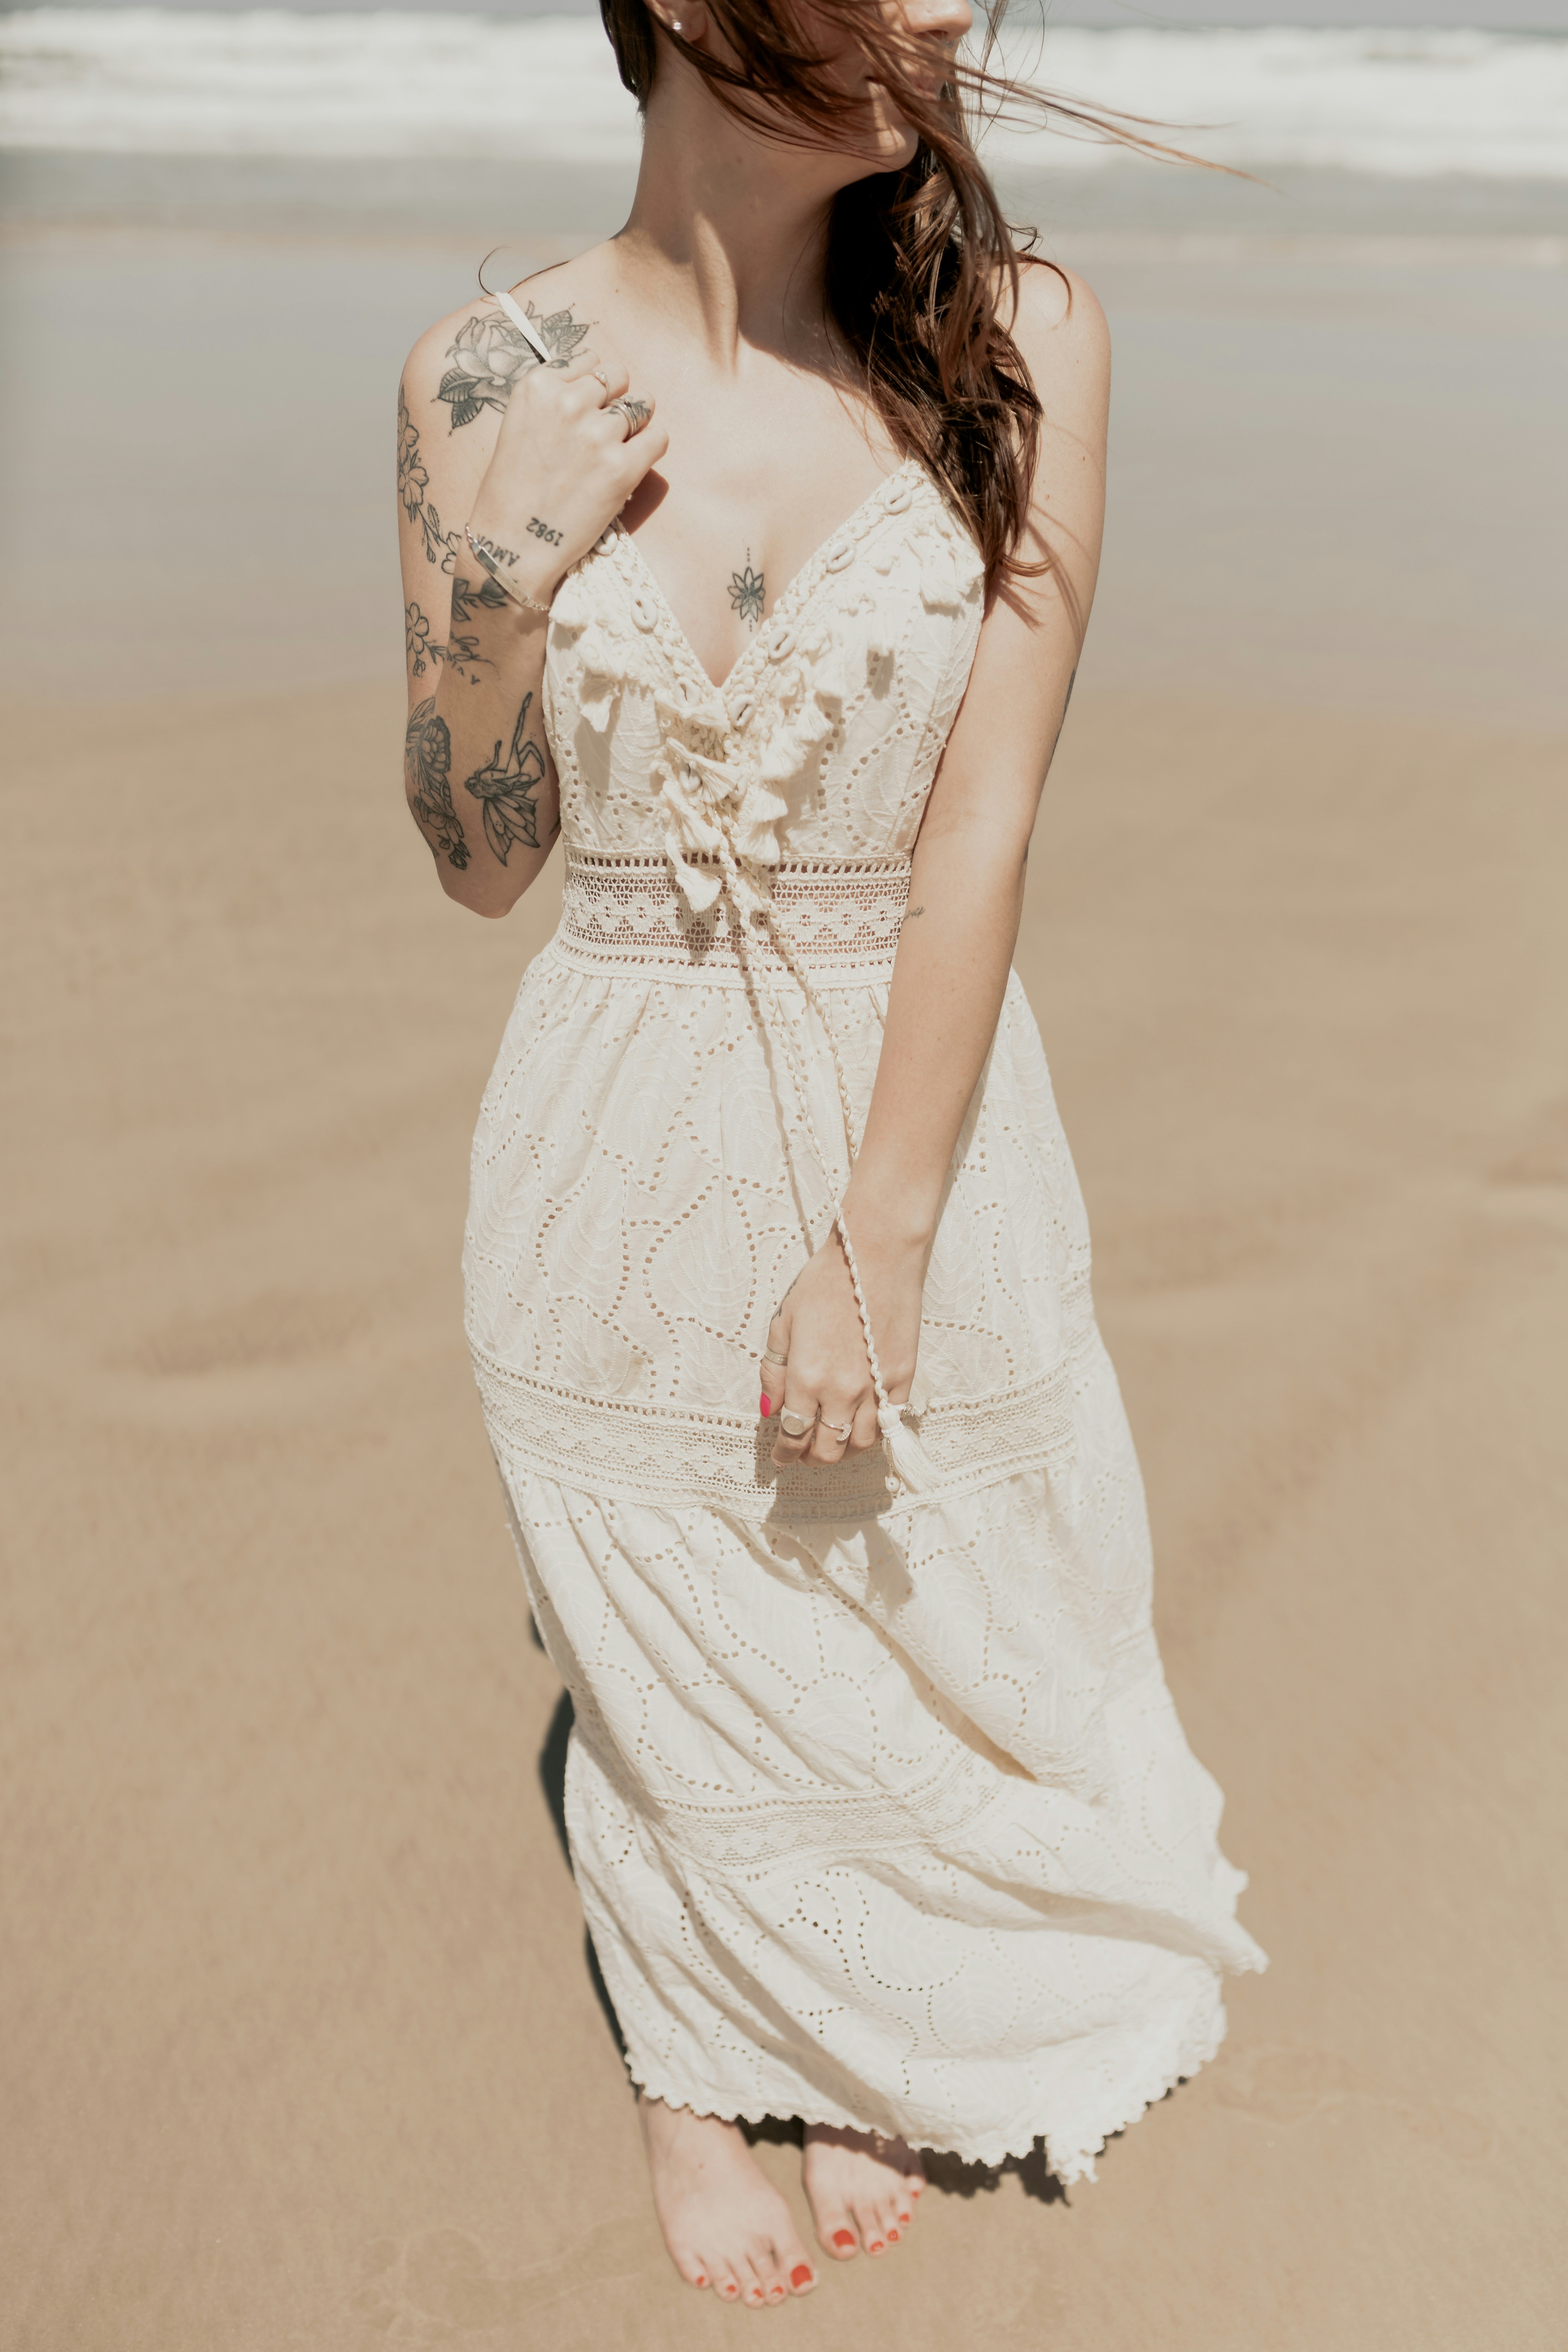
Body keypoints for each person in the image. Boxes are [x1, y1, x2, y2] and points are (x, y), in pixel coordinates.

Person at [395, 0, 1264, 2311]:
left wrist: (874, 1241)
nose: (953, 10)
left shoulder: (1025, 341)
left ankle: (846, 1985)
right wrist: (495, 595)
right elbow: (482, 859)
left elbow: (982, 819)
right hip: (608, 1103)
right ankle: (699, 2050)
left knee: (911, 1590)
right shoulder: (484, 373)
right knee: (660, 1594)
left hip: (918, 1090)